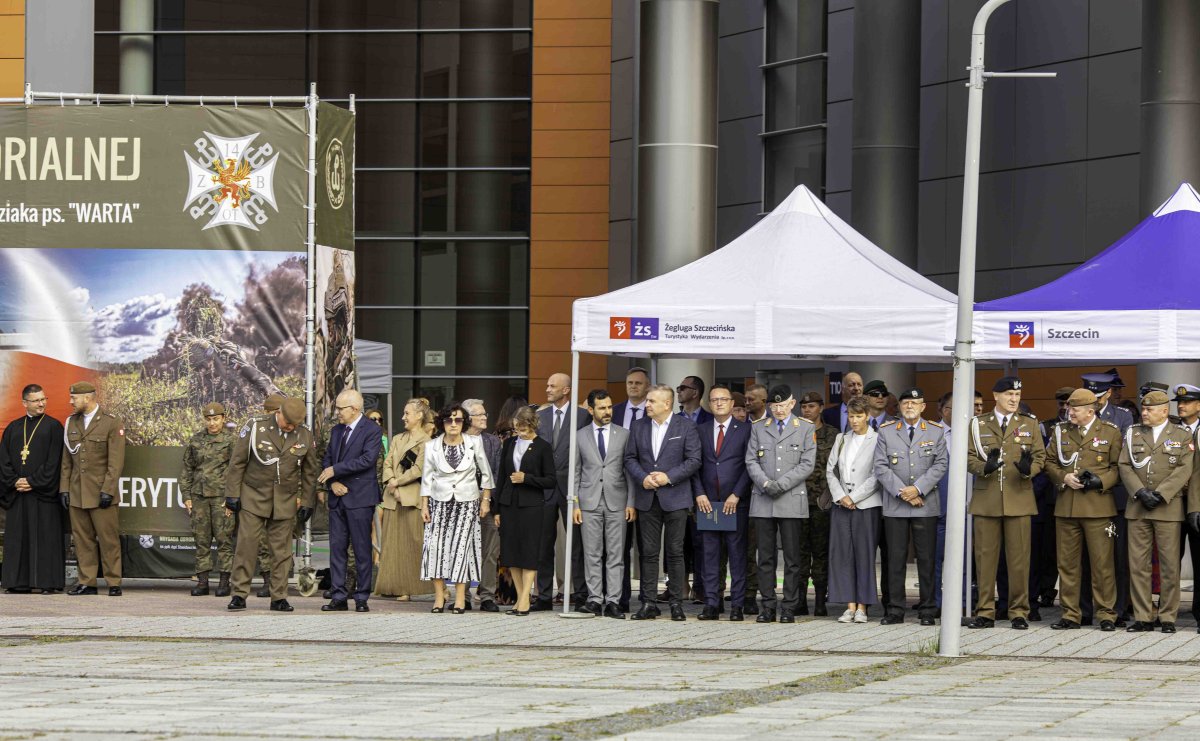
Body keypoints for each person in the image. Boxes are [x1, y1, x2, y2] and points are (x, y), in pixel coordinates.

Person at [966, 377, 1046, 630]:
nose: (1014, 399)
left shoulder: (1029, 423)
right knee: (986, 559)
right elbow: (967, 457)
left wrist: (1028, 470)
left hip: (1019, 498)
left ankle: (1019, 611)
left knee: (1019, 560)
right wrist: (984, 467)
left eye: (1017, 395)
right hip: (987, 498)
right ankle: (985, 611)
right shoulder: (978, 424)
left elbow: (1040, 457)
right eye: (1009, 394)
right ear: (996, 395)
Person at [225, 397, 316, 612]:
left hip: (284, 500)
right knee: (246, 546)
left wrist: (308, 501)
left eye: (295, 424)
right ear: (279, 413)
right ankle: (239, 594)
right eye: (288, 423)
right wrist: (232, 495)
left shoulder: (304, 433)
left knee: (282, 552)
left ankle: (279, 596)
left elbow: (310, 472)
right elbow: (237, 462)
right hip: (253, 496)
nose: (291, 427)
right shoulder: (255, 426)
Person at [1043, 388, 1122, 631]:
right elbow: (1049, 461)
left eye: (1074, 409)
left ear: (1090, 410)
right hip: (1066, 507)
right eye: (1069, 408)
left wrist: (1101, 482)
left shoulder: (1110, 432)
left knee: (1102, 565)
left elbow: (1119, 467)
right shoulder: (1060, 431)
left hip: (1098, 508)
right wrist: (1063, 477)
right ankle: (1070, 614)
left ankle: (1106, 614)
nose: (1070, 412)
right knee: (1067, 565)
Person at [625, 384, 701, 620]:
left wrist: (669, 477)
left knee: (675, 552)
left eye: (651, 401)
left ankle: (676, 603)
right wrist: (643, 477)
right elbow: (629, 458)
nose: (646, 405)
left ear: (666, 404)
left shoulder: (685, 426)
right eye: (647, 401)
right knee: (648, 552)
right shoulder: (638, 426)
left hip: (676, 497)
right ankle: (648, 603)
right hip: (647, 497)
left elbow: (694, 460)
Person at [874, 388, 948, 626]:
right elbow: (881, 466)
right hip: (896, 504)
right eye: (906, 403)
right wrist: (903, 492)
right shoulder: (886, 432)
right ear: (899, 407)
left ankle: (927, 609)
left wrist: (917, 489)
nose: (909, 407)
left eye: (914, 403)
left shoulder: (935, 432)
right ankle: (895, 609)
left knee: (926, 559)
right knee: (895, 559)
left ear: (923, 407)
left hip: (924, 504)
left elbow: (940, 464)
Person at [1121, 390, 1193, 634]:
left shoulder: (1181, 435)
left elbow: (1185, 468)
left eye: (1149, 409)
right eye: (1143, 408)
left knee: (1169, 565)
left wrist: (1161, 494)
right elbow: (1124, 464)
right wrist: (1140, 492)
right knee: (1138, 564)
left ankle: (1168, 616)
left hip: (1167, 507)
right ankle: (1143, 616)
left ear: (1164, 411)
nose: (1144, 413)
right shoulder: (1133, 433)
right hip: (1138, 506)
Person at [745, 384, 817, 624]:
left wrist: (781, 484)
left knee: (793, 558)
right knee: (765, 557)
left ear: (792, 404)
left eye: (782, 405)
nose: (778, 409)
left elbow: (807, 463)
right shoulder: (758, 427)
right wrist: (766, 484)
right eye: (774, 405)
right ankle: (767, 606)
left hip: (791, 499)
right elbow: (751, 460)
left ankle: (788, 606)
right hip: (764, 499)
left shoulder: (805, 427)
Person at [420, 403, 494, 614]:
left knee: (462, 548)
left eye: (458, 420)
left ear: (464, 422)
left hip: (467, 502)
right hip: (438, 502)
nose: (453, 424)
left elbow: (486, 474)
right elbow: (426, 478)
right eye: (449, 420)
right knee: (435, 547)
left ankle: (461, 598)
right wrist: (424, 505)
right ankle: (439, 597)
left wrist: (485, 500)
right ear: (442, 423)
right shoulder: (432, 445)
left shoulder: (474, 443)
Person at [60, 381, 126, 597]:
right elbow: (66, 461)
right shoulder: (71, 422)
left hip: (101, 493)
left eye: (74, 398)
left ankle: (113, 581)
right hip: (78, 492)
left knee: (108, 540)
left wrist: (108, 489)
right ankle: (87, 582)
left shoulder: (111, 422)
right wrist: (64, 489)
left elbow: (115, 463)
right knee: (82, 540)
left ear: (87, 398)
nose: (70, 402)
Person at [319, 390, 382, 613]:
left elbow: (367, 460)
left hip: (360, 498)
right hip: (338, 498)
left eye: (340, 409)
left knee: (362, 549)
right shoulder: (336, 431)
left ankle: (362, 597)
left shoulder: (372, 429)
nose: (337, 413)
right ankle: (338, 596)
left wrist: (336, 469)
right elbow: (327, 458)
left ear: (354, 409)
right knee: (337, 549)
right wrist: (332, 482)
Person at [572, 391, 634, 619]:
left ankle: (614, 601)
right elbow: (575, 472)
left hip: (618, 501)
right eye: (602, 408)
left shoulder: (624, 435)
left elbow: (629, 471)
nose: (607, 411)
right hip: (588, 501)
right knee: (592, 553)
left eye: (609, 407)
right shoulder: (579, 436)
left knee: (616, 554)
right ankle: (595, 599)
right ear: (591, 410)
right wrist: (575, 504)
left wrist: (631, 502)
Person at [693, 383, 751, 621]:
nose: (718, 403)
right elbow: (694, 463)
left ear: (731, 403)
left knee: (737, 555)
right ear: (709, 403)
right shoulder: (701, 429)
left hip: (734, 502)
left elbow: (749, 466)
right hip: (708, 502)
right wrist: (699, 493)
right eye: (714, 399)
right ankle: (711, 603)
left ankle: (737, 605)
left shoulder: (745, 430)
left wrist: (737, 494)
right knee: (709, 555)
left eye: (723, 399)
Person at [0, 384, 66, 594]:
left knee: (45, 539)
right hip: (17, 495)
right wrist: (14, 481)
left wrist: (33, 481)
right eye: (36, 400)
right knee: (19, 539)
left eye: (43, 399)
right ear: (25, 403)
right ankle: (18, 582)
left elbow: (54, 462)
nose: (41, 403)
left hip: (42, 496)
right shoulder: (13, 428)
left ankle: (47, 583)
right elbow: (4, 460)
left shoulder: (54, 427)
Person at [534, 373, 590, 611]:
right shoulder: (540, 416)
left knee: (576, 544)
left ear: (566, 390)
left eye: (552, 386)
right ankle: (544, 596)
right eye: (546, 385)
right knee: (543, 544)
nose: (547, 389)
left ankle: (580, 594)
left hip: (572, 489)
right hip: (545, 489)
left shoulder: (583, 416)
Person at [496, 405, 556, 616]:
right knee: (511, 553)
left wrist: (527, 479)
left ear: (533, 425)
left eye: (523, 429)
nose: (519, 433)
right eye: (516, 429)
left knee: (529, 552)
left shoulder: (543, 447)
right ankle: (522, 599)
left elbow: (550, 480)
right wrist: (497, 509)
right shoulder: (510, 443)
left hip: (532, 505)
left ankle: (524, 600)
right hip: (509, 504)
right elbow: (501, 476)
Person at [826, 397, 881, 623]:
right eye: (851, 416)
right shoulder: (841, 438)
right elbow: (831, 471)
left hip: (866, 504)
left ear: (867, 415)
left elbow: (877, 474)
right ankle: (849, 605)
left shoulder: (877, 439)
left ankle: (863, 607)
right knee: (843, 555)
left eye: (859, 416)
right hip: (841, 505)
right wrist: (841, 496)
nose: (854, 420)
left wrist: (854, 497)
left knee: (864, 555)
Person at [376, 398, 434, 601]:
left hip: (412, 498)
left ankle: (411, 588)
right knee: (392, 544)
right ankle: (393, 585)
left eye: (407, 413)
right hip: (392, 498)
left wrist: (397, 482)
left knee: (413, 544)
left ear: (419, 416)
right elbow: (387, 462)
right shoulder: (398, 439)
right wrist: (392, 482)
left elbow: (419, 469)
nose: (403, 417)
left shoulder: (427, 442)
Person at [179, 402, 235, 597]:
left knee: (223, 540)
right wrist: (186, 496)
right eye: (209, 419)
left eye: (216, 419)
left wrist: (232, 500)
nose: (212, 423)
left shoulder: (231, 441)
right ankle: (202, 582)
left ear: (223, 418)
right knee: (201, 540)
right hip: (199, 497)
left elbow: (237, 472)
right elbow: (187, 469)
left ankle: (224, 582)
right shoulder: (196, 441)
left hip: (221, 498)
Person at [612, 367, 649, 612]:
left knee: (647, 548)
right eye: (629, 382)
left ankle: (648, 598)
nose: (633, 386)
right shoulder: (614, 411)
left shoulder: (653, 411)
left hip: (647, 486)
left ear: (647, 386)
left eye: (638, 383)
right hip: (619, 489)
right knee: (620, 547)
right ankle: (621, 598)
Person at [797, 391, 836, 616]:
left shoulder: (832, 434)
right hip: (798, 501)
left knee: (821, 554)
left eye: (811, 406)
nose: (807, 410)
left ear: (820, 408)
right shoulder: (795, 432)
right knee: (799, 553)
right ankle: (800, 600)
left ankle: (820, 601)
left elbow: (837, 467)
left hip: (822, 503)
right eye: (804, 407)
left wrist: (830, 495)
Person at [464, 398, 503, 612]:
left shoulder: (492, 442)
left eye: (485, 414)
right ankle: (464, 596)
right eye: (480, 415)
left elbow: (497, 472)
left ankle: (487, 595)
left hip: (488, 504)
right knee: (465, 549)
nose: (485, 418)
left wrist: (490, 501)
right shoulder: (456, 439)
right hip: (462, 503)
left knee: (490, 551)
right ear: (468, 418)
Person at [742, 381, 769, 614]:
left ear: (764, 401)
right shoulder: (741, 425)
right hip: (744, 496)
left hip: (771, 493)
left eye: (752, 399)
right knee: (748, 549)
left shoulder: (774, 423)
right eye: (746, 398)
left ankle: (769, 596)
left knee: (768, 550)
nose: (747, 402)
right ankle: (749, 594)